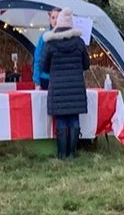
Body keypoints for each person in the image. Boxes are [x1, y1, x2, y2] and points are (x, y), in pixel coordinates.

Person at [37, 10, 90, 160]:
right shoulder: (79, 42)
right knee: (74, 120)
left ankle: (61, 154)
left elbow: (44, 66)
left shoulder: (51, 42)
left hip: (58, 89)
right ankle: (72, 153)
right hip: (76, 89)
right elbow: (86, 64)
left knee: (61, 121)